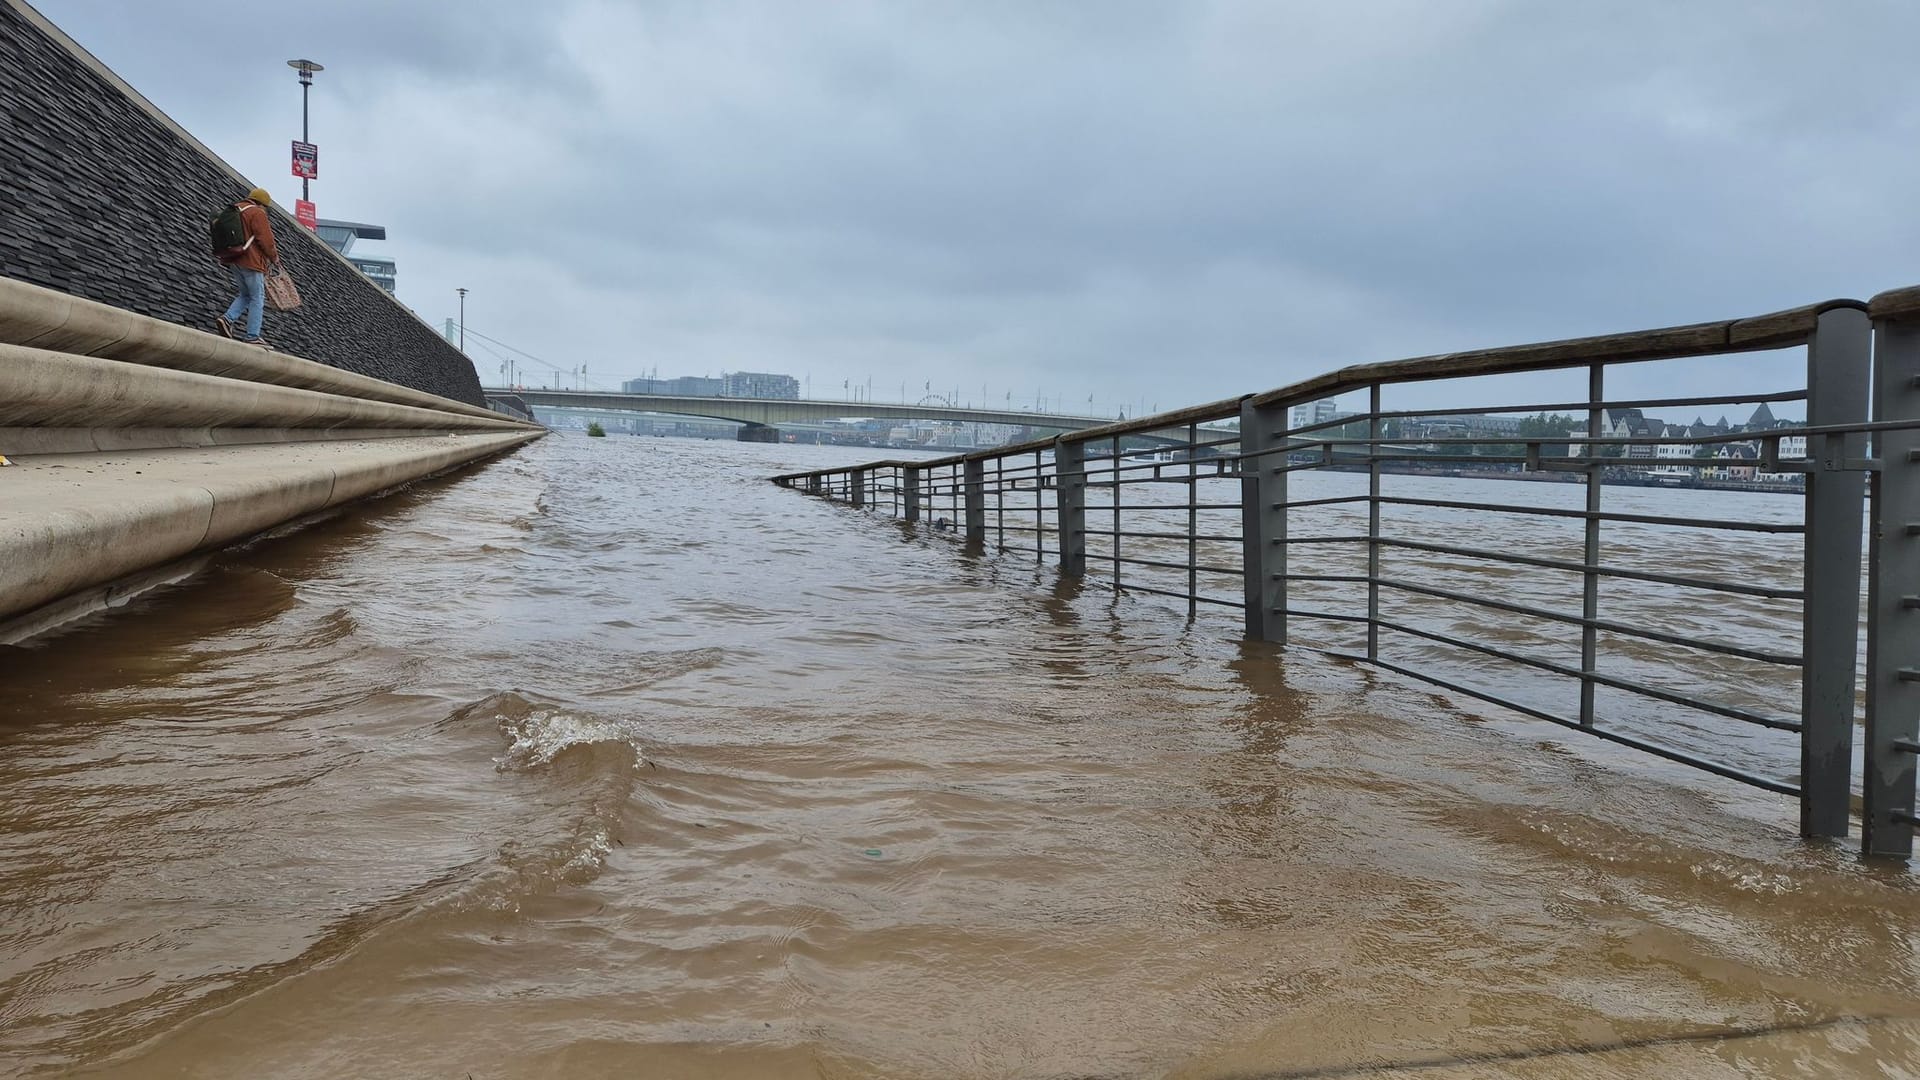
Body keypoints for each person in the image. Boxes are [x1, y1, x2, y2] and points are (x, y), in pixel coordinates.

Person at [215, 187, 280, 345]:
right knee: (258, 297)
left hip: (234, 259)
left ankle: (227, 319)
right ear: (263, 204)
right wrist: (275, 258)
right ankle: (252, 336)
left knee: (245, 294)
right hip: (251, 261)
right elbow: (266, 240)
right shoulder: (257, 213)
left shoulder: (238, 209)